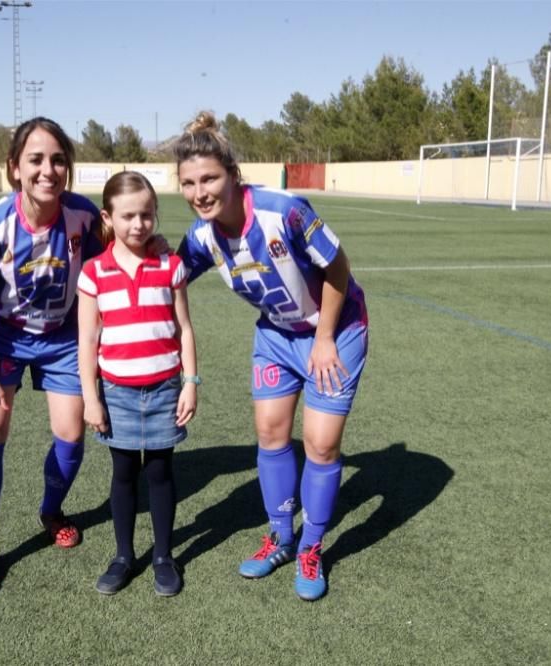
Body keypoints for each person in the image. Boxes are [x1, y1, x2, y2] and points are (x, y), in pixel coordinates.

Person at [174, 111, 369, 602]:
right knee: (270, 434)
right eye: (189, 183)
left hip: (337, 330)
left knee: (320, 445)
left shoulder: (285, 211)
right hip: (277, 337)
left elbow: (339, 267)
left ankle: (312, 546)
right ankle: (281, 537)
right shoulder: (202, 237)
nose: (200, 192)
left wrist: (324, 336)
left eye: (210, 178)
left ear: (233, 174)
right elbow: (168, 274)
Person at [0, 117, 105, 598]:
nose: (48, 170)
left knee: (71, 432)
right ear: (14, 168)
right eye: (36, 160)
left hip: (62, 337)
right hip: (3, 337)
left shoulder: (83, 217)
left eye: (58, 160)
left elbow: (112, 261)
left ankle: (51, 511)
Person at [76, 171, 199, 597]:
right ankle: (124, 555)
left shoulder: (171, 265)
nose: (138, 224)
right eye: (128, 215)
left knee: (161, 472)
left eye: (147, 214)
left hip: (165, 388)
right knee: (124, 472)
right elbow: (88, 340)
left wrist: (190, 382)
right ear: (108, 217)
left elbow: (184, 328)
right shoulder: (94, 272)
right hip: (117, 393)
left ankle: (163, 555)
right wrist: (91, 398)